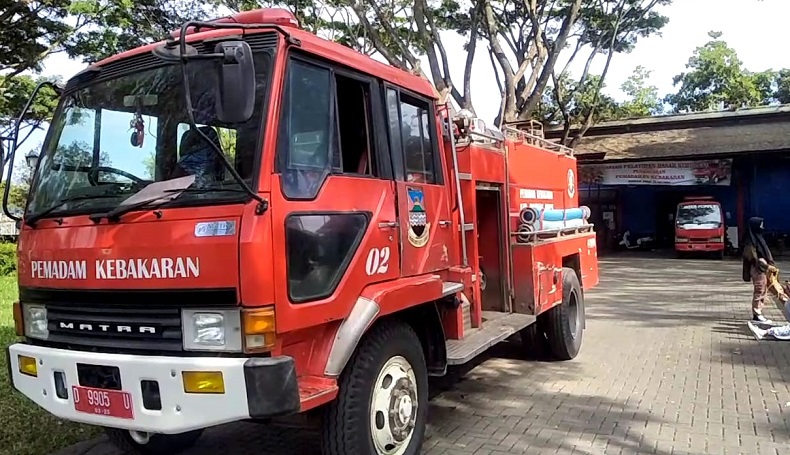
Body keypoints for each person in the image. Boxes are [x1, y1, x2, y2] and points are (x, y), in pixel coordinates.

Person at [742, 217, 774, 324]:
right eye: (760, 225)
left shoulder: (758, 238)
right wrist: (766, 266)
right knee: (759, 290)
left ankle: (759, 312)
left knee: (763, 290)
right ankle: (757, 314)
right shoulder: (750, 241)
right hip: (757, 269)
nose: (762, 227)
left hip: (762, 269)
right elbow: (752, 257)